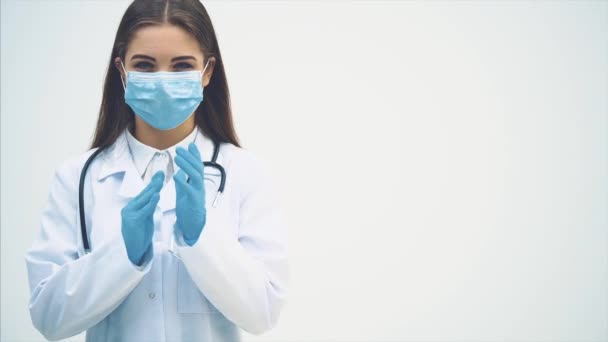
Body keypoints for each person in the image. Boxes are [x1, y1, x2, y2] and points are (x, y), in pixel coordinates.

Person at [24, 1, 289, 341]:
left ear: (207, 71)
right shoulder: (78, 178)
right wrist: (124, 254)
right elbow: (48, 317)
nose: (163, 80)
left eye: (181, 66)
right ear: (122, 71)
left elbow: (262, 313)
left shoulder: (246, 173)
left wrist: (200, 240)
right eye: (145, 66)